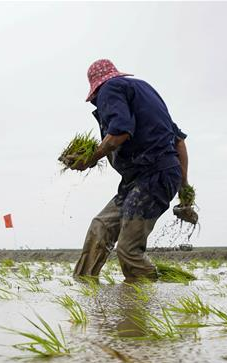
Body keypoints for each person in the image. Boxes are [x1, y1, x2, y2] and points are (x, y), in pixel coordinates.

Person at [71, 59, 189, 280]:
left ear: (96, 89)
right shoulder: (144, 93)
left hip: (155, 175)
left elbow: (119, 132)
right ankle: (83, 290)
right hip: (140, 179)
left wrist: (90, 159)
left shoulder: (110, 88)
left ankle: (144, 301)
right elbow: (179, 142)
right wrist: (184, 188)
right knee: (101, 227)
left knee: (128, 249)